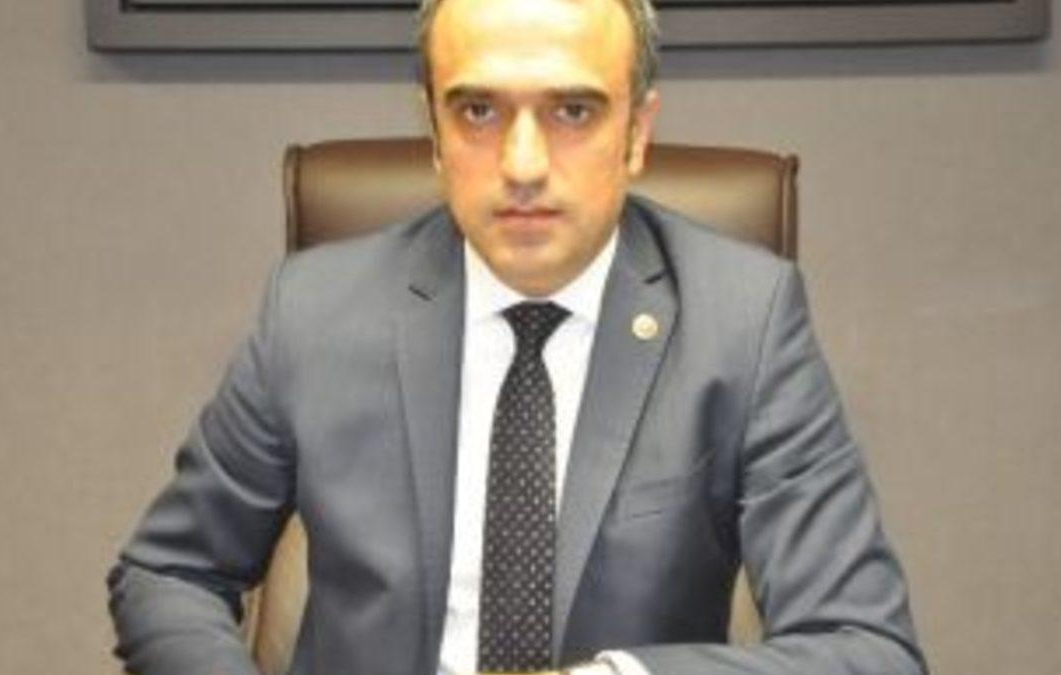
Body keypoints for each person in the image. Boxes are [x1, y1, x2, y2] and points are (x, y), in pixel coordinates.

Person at [107, 0, 927, 672]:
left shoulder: (743, 322)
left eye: (573, 111)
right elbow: (167, 572)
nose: (524, 164)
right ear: (433, 132)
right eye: (478, 111)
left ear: (637, 133)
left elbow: (867, 647)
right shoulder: (314, 310)